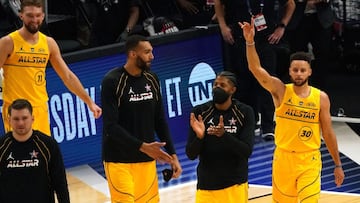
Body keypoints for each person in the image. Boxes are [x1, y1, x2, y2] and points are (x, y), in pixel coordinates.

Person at [239, 19, 345, 202]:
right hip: (283, 159)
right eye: (295, 70)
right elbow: (255, 69)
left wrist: (337, 164)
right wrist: (250, 42)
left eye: (303, 70)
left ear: (310, 72)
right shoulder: (281, 90)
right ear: (290, 71)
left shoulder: (321, 98)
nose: (299, 73)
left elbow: (328, 132)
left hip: (309, 160)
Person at [0, 0, 102, 135]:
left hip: (40, 108)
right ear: (21, 16)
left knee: (43, 154)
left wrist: (89, 102)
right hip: (16, 111)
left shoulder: (48, 43)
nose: (34, 20)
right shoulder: (8, 42)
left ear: (43, 16)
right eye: (30, 15)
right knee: (23, 154)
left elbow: (67, 76)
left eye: (38, 15)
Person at [101, 34, 182, 202]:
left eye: (151, 51)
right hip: (119, 160)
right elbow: (111, 126)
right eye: (147, 52)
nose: (152, 56)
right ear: (132, 54)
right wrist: (143, 146)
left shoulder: (152, 79)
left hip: (146, 161)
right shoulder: (113, 81)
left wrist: (173, 155)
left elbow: (159, 120)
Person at [214, 0, 295, 141]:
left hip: (266, 39)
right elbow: (218, 3)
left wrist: (282, 26)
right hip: (239, 39)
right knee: (243, 83)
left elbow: (291, 4)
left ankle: (268, 125)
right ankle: (251, 122)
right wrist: (223, 26)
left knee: (267, 82)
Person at [186, 71, 255, 203]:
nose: (217, 87)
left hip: (235, 185)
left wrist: (224, 135)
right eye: (215, 84)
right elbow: (190, 154)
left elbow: (246, 151)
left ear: (232, 90)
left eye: (222, 85)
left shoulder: (245, 112)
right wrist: (200, 137)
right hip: (206, 187)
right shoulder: (200, 112)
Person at [0, 99, 70, 203]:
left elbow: (60, 183)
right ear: (9, 120)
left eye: (24, 118)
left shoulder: (48, 145)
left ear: (32, 118)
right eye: (16, 119)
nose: (20, 123)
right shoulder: (2, 147)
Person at [285, 0, 335, 86]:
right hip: (298, 18)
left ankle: (319, 86)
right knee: (297, 53)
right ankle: (298, 83)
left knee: (322, 52)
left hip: (321, 18)